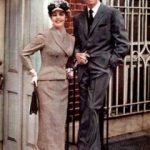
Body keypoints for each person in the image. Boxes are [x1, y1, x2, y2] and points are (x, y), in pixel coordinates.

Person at [73, 0, 129, 149]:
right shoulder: (78, 18)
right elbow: (77, 44)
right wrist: (77, 54)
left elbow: (123, 44)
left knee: (92, 107)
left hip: (101, 69)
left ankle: (84, 147)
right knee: (87, 109)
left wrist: (109, 63)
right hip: (83, 70)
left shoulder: (112, 14)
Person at [21, 0, 74, 149]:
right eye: (54, 15)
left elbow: (70, 59)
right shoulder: (44, 36)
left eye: (61, 14)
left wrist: (70, 69)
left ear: (66, 16)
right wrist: (33, 72)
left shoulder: (71, 39)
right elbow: (24, 53)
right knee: (48, 124)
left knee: (59, 123)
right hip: (46, 85)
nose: (58, 18)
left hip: (62, 85)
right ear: (50, 17)